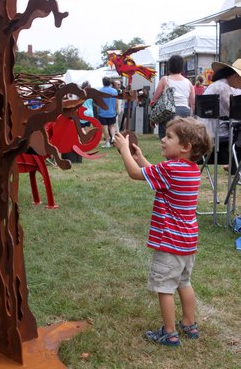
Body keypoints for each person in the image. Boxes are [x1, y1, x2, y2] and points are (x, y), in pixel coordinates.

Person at [114, 116, 212, 346]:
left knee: (165, 287)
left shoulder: (170, 169)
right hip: (187, 242)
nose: (162, 140)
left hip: (169, 242)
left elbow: (135, 174)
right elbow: (158, 176)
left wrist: (125, 151)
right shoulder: (189, 169)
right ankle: (189, 323)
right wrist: (140, 158)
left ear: (185, 147)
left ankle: (170, 333)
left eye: (169, 137)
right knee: (184, 282)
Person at [150, 55, 195, 139]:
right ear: (182, 67)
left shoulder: (165, 79)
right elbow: (192, 104)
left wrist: (153, 117)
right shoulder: (188, 82)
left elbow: (154, 100)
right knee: (182, 138)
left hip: (169, 111)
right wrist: (191, 117)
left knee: (166, 138)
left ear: (169, 66)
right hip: (185, 111)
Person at [98, 77, 118, 148]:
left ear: (103, 82)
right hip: (112, 111)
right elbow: (116, 102)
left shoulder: (100, 91)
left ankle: (107, 142)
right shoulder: (115, 91)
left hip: (103, 112)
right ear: (110, 83)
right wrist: (116, 110)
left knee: (105, 127)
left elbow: (98, 102)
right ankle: (113, 137)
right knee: (112, 126)